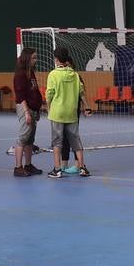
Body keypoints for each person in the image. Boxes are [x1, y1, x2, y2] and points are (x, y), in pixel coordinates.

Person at [46, 46, 92, 178]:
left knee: (57, 141)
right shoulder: (75, 75)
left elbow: (49, 94)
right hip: (72, 112)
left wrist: (49, 109)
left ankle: (57, 169)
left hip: (57, 113)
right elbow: (81, 93)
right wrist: (87, 107)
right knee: (76, 141)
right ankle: (82, 168)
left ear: (56, 59)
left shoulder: (53, 74)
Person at [12, 47, 43, 177]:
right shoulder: (20, 75)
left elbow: (33, 91)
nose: (36, 60)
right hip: (26, 108)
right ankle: (18, 167)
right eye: (33, 58)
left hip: (33, 109)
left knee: (30, 139)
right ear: (27, 58)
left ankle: (28, 165)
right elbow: (20, 95)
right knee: (23, 138)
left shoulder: (31, 73)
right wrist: (26, 112)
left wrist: (39, 106)